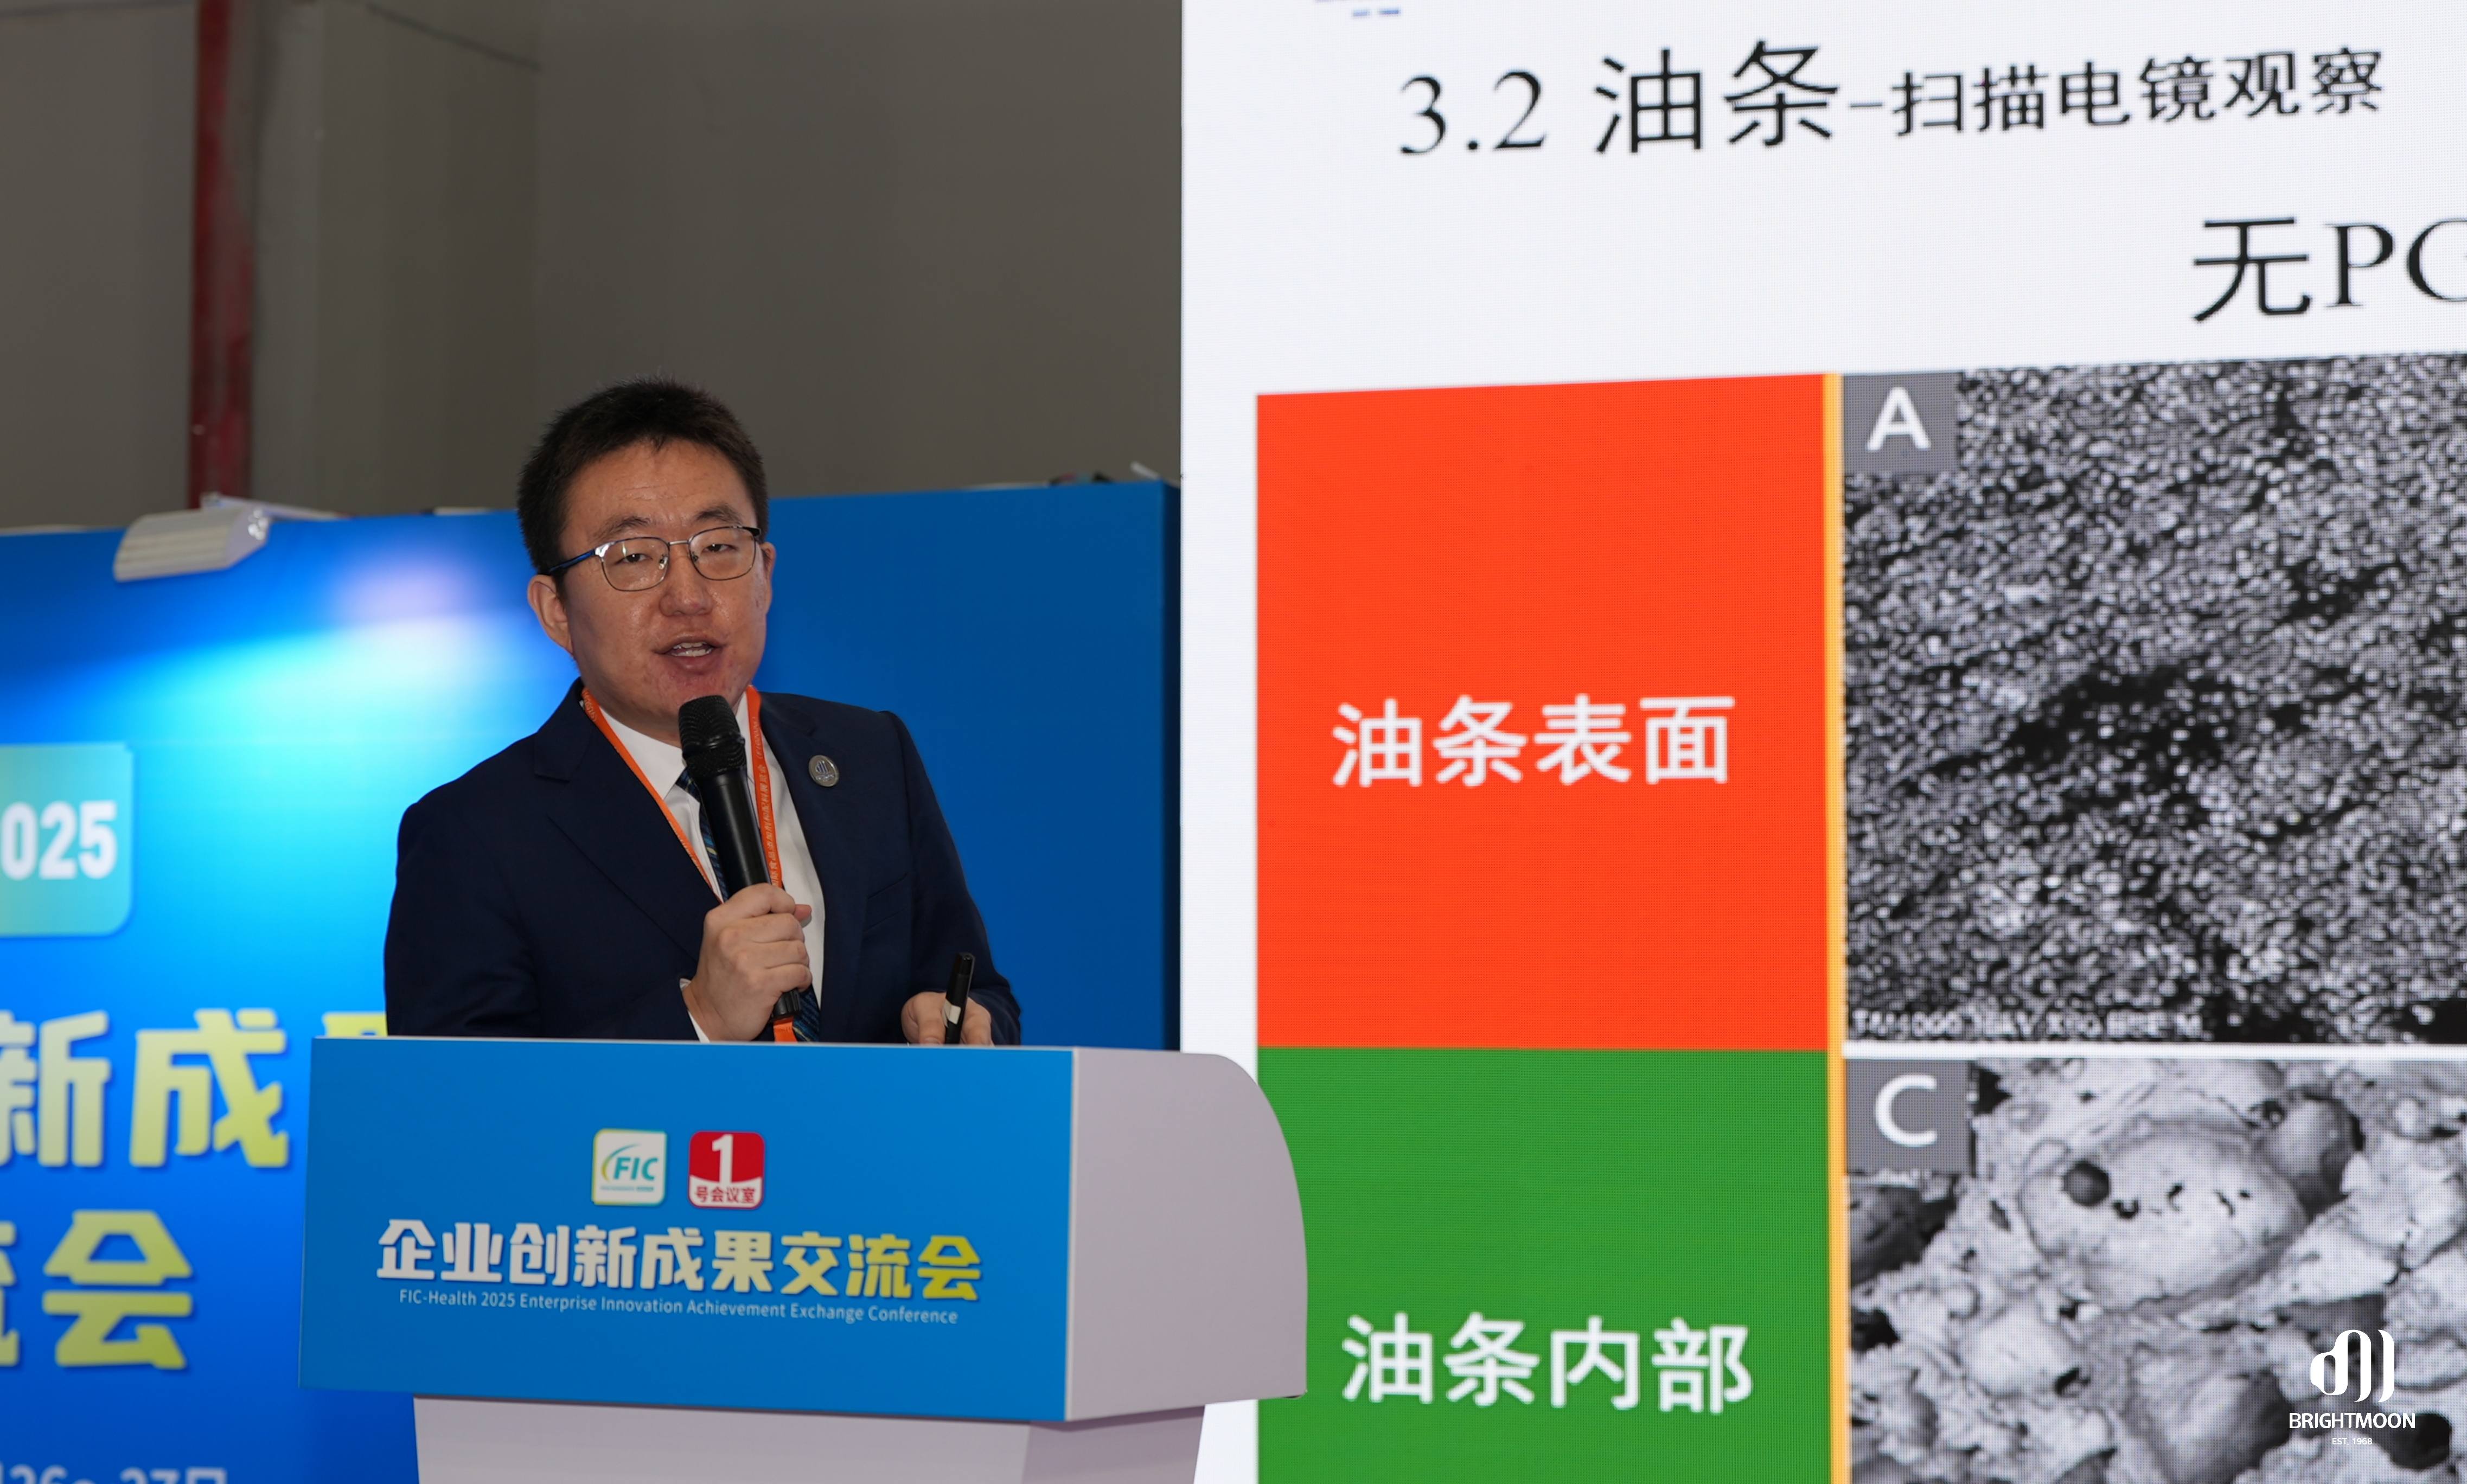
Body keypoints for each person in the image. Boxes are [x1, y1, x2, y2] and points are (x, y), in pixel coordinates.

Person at [384, 379, 1017, 1045]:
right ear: (556, 612)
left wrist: (966, 1023)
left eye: (717, 546)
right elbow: (453, 1099)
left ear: (765, 574)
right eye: (634, 558)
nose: (688, 597)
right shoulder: (472, 835)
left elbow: (977, 989)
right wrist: (700, 1019)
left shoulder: (869, 756)